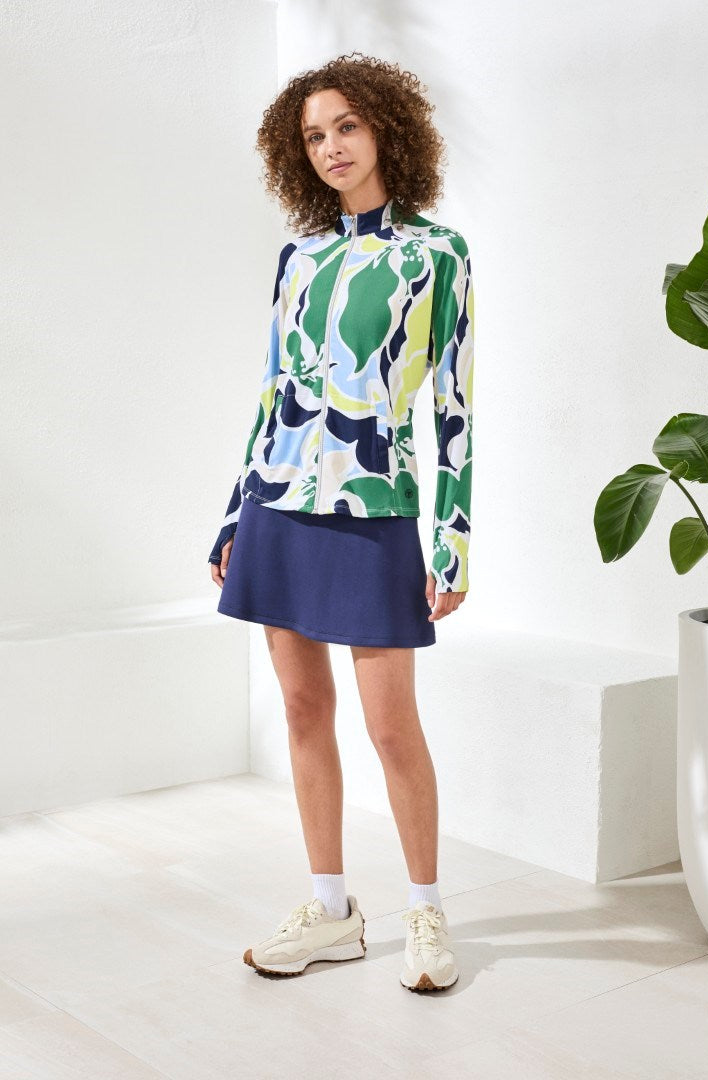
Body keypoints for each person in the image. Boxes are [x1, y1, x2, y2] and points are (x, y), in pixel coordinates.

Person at [208, 52, 473, 993]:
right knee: (301, 707)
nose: (331, 147)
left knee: (391, 725)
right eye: (314, 136)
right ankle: (331, 913)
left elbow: (452, 406)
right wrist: (232, 514)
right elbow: (273, 391)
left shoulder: (436, 254)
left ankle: (426, 912)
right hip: (277, 500)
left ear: (387, 130)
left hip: (374, 506)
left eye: (347, 127)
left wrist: (452, 536)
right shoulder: (299, 257)